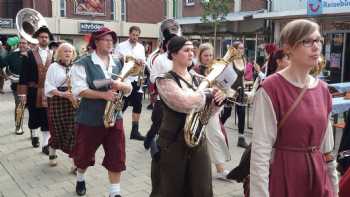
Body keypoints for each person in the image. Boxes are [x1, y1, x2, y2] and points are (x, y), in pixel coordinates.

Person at [250, 19, 338, 197]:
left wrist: (334, 187)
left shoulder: (322, 89)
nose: (316, 47)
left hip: (317, 176)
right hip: (285, 174)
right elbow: (260, 151)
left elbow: (327, 149)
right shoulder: (271, 88)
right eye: (307, 41)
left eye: (318, 40)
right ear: (288, 47)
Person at [156, 36, 225, 197]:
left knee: (202, 188)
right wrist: (207, 94)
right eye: (186, 50)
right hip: (173, 142)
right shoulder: (164, 80)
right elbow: (184, 103)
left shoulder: (199, 79)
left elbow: (208, 113)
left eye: (192, 51)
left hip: (197, 140)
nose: (191, 54)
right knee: (173, 189)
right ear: (173, 54)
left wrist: (218, 101)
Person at [71, 27, 131, 197]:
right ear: (96, 42)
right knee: (84, 154)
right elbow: (79, 90)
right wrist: (103, 94)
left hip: (115, 117)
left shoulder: (118, 62)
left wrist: (122, 86)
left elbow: (129, 88)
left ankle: (115, 192)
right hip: (90, 117)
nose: (110, 42)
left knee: (117, 154)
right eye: (106, 39)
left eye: (112, 40)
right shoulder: (82, 63)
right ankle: (80, 178)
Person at [197, 43, 231, 179]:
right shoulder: (195, 70)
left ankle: (220, 168)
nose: (208, 57)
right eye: (205, 55)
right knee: (202, 139)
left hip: (214, 110)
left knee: (216, 137)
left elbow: (226, 88)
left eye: (210, 55)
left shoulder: (217, 68)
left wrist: (224, 92)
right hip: (199, 108)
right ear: (200, 56)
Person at [17, 26, 54, 154]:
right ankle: (34, 133)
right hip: (33, 91)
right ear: (37, 39)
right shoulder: (29, 54)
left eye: (46, 37)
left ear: (48, 39)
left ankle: (45, 145)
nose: (44, 39)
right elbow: (23, 75)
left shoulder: (53, 55)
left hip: (49, 93)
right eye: (42, 37)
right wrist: (22, 93)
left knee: (46, 118)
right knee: (33, 116)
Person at [44, 42, 78, 169]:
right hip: (58, 101)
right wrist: (63, 94)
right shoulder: (53, 67)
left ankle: (75, 163)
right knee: (57, 130)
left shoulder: (76, 67)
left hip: (73, 102)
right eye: (65, 51)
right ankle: (52, 151)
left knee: (74, 132)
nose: (68, 53)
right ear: (59, 53)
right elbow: (48, 86)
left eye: (70, 51)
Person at [115, 26, 146, 141]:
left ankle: (135, 131)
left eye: (137, 35)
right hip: (124, 79)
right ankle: (114, 126)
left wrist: (142, 62)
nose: (135, 37)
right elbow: (116, 60)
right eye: (133, 35)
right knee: (122, 104)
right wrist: (130, 60)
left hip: (136, 79)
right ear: (129, 34)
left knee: (138, 104)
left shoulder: (141, 47)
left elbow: (144, 61)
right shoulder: (121, 46)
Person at [220, 41, 249, 148]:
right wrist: (227, 92)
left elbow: (242, 77)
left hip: (240, 89)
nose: (242, 50)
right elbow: (224, 77)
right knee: (227, 113)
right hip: (231, 90)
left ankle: (241, 138)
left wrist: (244, 89)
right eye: (240, 48)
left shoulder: (244, 60)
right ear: (235, 49)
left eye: (243, 48)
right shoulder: (230, 61)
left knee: (241, 114)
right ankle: (218, 130)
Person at [1, 37, 29, 135]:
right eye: (20, 43)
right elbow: (1, 64)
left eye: (24, 43)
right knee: (19, 106)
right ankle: (18, 126)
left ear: (28, 44)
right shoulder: (12, 55)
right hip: (17, 85)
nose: (22, 45)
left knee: (32, 109)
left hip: (32, 86)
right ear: (18, 44)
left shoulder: (33, 55)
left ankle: (33, 132)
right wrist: (5, 75)